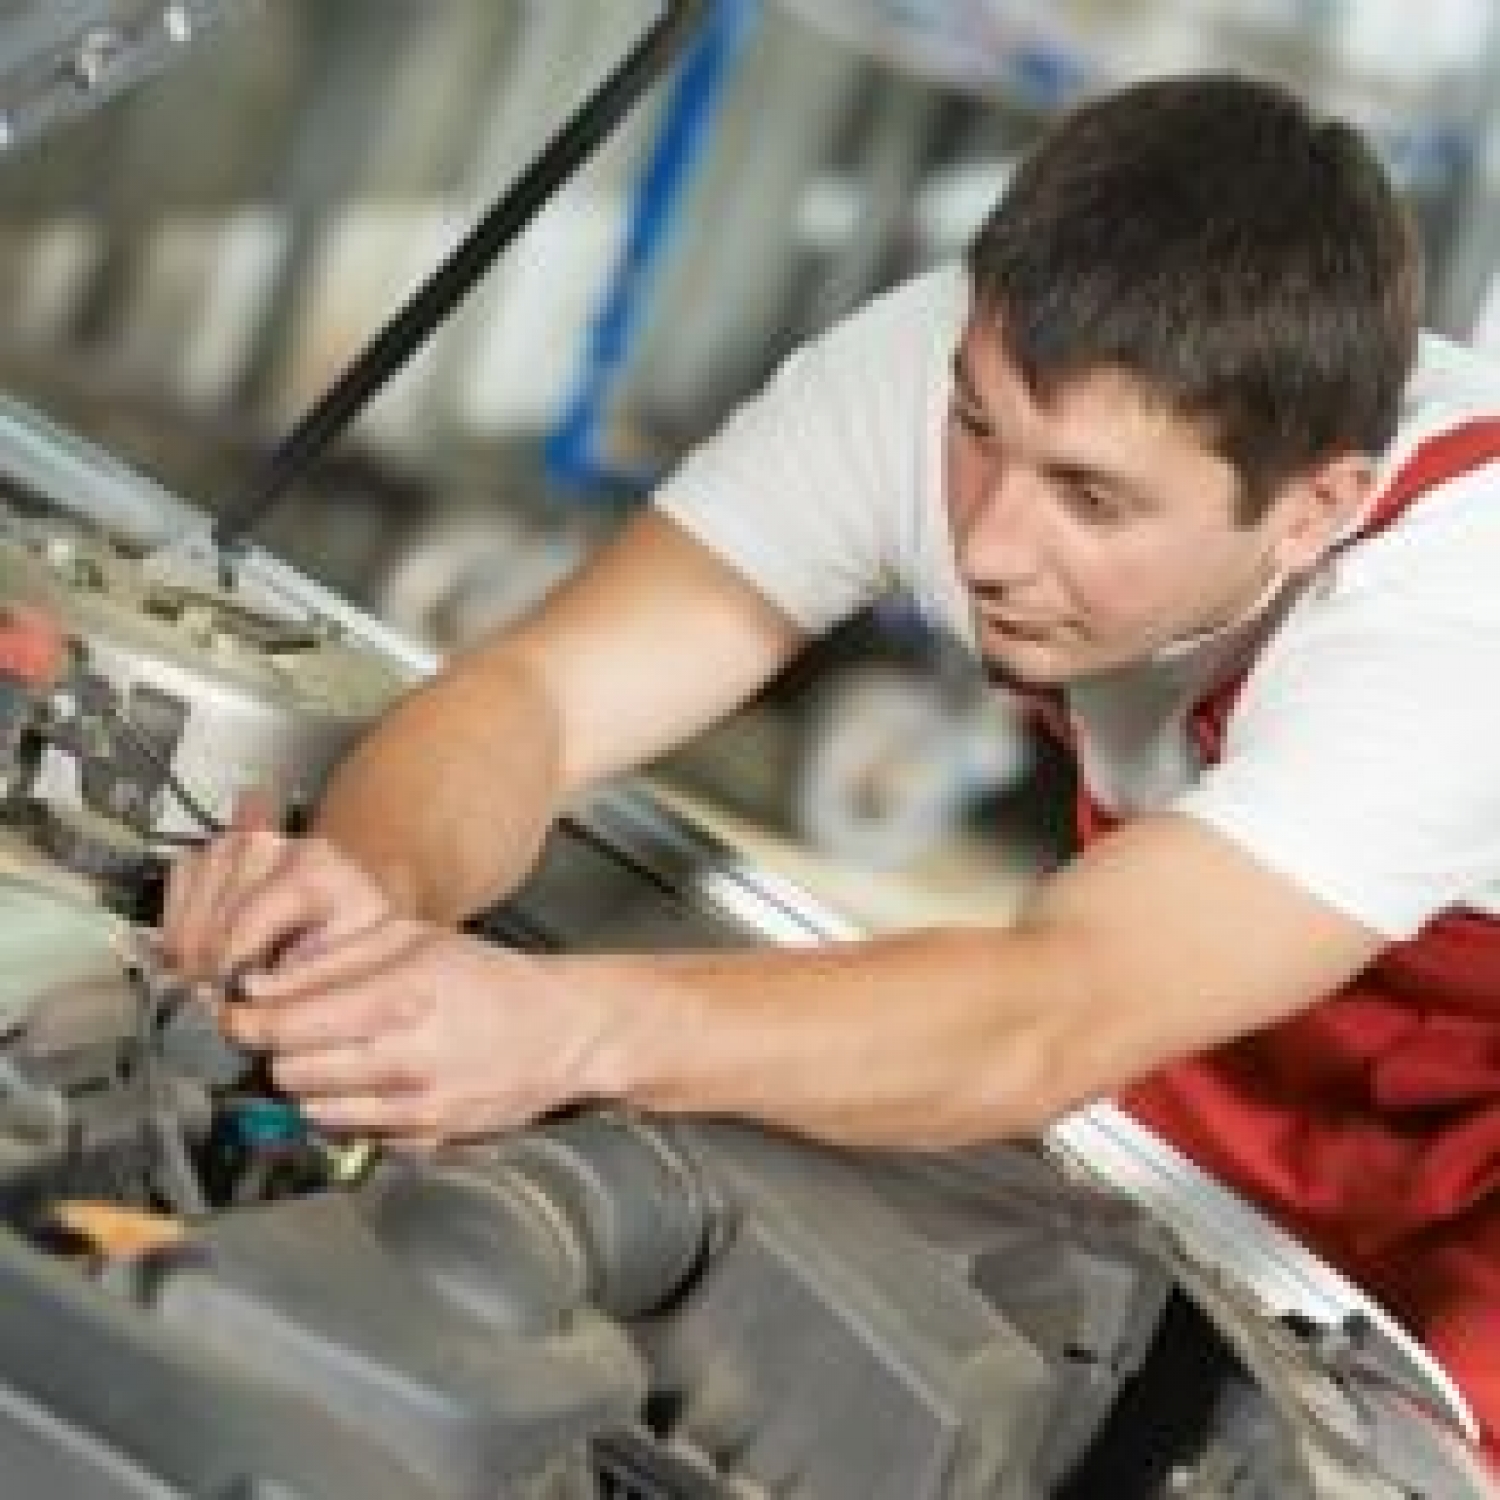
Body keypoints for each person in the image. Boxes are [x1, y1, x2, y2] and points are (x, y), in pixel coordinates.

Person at [163, 74, 1500, 1450]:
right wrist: (370, 887)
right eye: (978, 432)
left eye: (1091, 499)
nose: (986, 542)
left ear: (1315, 509)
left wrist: (571, 1023)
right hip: (1204, 1020)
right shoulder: (966, 365)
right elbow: (542, 699)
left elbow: (1055, 1010)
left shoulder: (1460, 606)